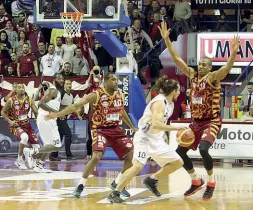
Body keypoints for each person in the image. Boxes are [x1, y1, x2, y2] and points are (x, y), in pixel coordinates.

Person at [158, 21, 240, 200]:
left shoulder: (213, 78)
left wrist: (233, 54)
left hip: (211, 121)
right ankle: (196, 181)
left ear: (210, 67)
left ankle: (211, 183)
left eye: (204, 64)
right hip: (195, 122)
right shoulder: (192, 76)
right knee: (180, 152)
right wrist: (167, 41)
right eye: (200, 64)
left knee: (203, 149)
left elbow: (226, 68)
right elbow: (177, 59)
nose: (200, 66)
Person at [45, 73, 137, 198]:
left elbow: (122, 111)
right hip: (100, 129)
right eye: (113, 80)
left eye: (117, 80)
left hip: (115, 129)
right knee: (96, 157)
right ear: (106, 81)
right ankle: (80, 185)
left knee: (132, 156)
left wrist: (132, 126)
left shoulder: (120, 94)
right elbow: (76, 105)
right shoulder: (96, 94)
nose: (116, 82)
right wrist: (57, 115)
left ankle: (117, 182)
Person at [108, 76, 184, 203]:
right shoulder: (159, 102)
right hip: (144, 138)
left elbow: (160, 123)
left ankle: (152, 179)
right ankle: (115, 192)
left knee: (177, 162)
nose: (179, 92)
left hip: (156, 139)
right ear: (173, 91)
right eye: (178, 90)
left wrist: (163, 133)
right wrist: (176, 128)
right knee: (137, 166)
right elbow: (155, 124)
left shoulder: (170, 104)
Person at [24, 73, 64, 173]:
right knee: (56, 145)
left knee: (49, 145)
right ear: (54, 79)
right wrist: (56, 112)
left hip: (47, 119)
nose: (61, 80)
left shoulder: (56, 91)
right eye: (59, 79)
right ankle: (31, 151)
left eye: (62, 79)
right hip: (47, 119)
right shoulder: (53, 90)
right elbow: (41, 103)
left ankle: (39, 166)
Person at [1, 83, 39, 170]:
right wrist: (10, 121)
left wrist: (37, 118)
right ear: (16, 90)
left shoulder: (29, 99)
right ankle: (19, 159)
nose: (22, 89)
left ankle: (34, 162)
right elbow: (2, 112)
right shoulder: (11, 100)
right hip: (16, 125)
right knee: (24, 137)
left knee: (36, 147)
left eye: (23, 87)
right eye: (19, 87)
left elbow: (36, 111)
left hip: (27, 125)